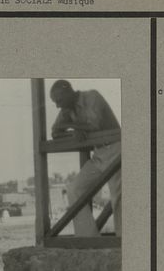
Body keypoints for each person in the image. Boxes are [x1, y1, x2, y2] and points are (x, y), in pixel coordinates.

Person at [50, 79, 121, 237]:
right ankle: (88, 238)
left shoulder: (92, 97)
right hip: (99, 154)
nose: (57, 106)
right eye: (55, 102)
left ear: (68, 92)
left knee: (118, 195)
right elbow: (55, 133)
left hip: (117, 150)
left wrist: (72, 127)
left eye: (59, 100)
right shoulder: (67, 109)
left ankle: (123, 240)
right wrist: (72, 132)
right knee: (75, 189)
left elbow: (94, 125)